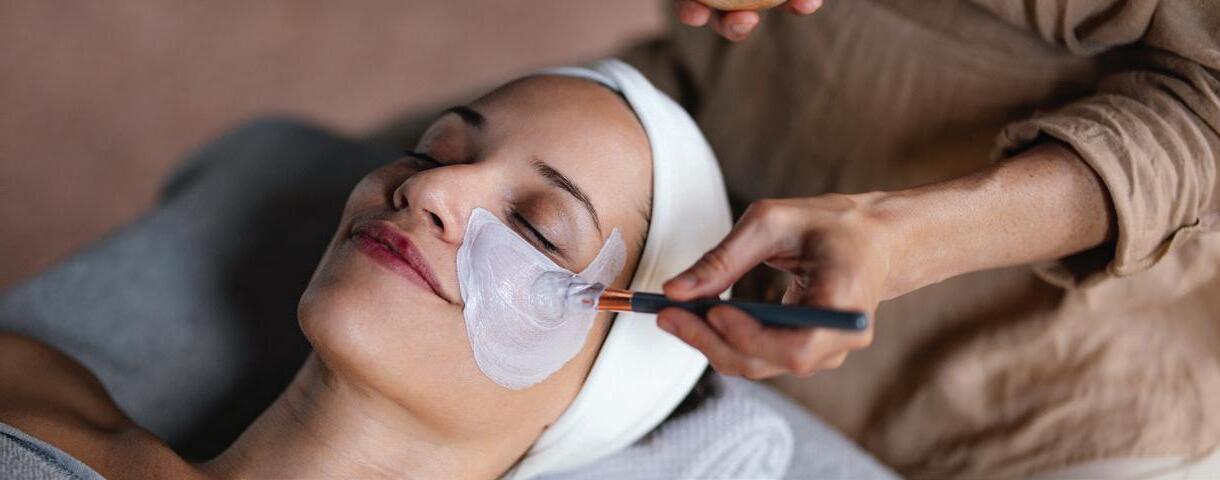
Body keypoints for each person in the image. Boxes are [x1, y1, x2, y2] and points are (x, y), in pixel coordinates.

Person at [0, 60, 734, 479]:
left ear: (599, 389)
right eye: (432, 152)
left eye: (537, 228)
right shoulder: (25, 386)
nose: (429, 189)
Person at [628, 0, 1220, 477]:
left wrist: (894, 239)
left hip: (1068, 400)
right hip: (734, 326)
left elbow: (1206, 112)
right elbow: (700, 65)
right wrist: (607, 102)